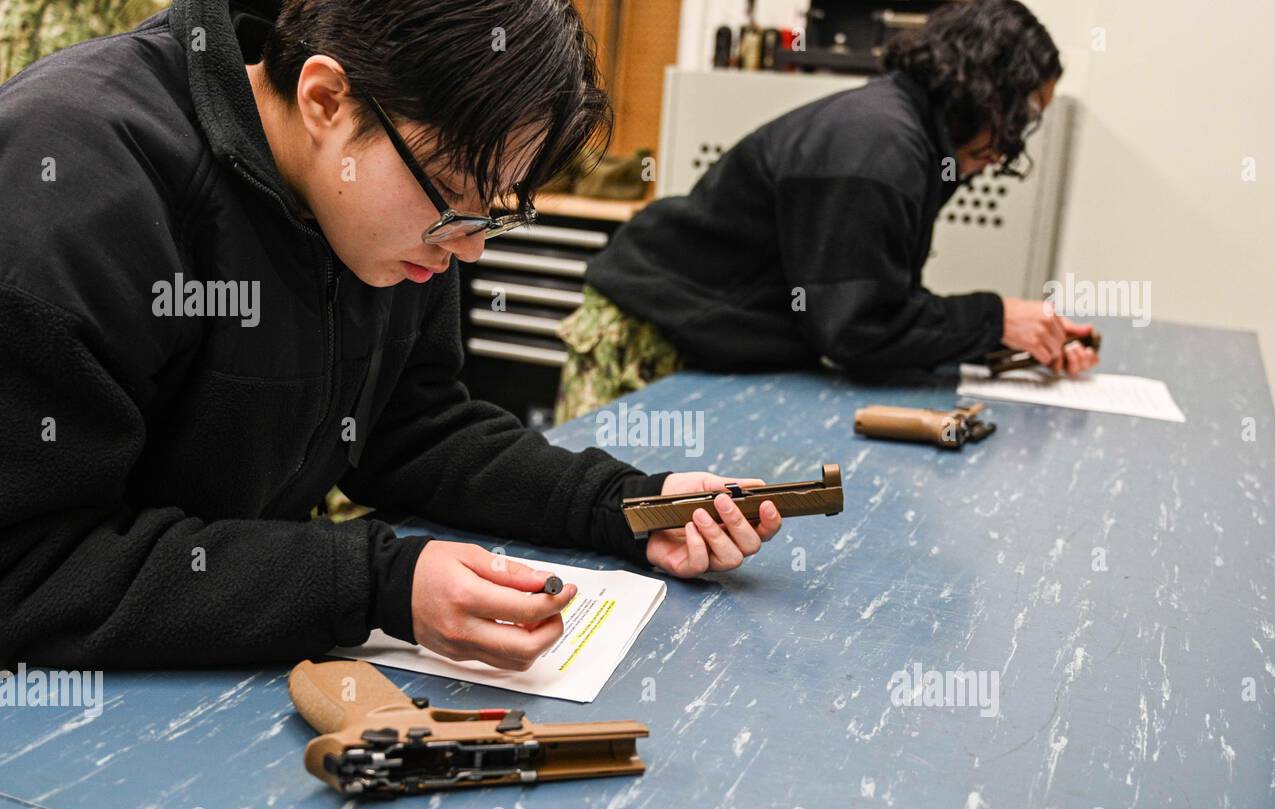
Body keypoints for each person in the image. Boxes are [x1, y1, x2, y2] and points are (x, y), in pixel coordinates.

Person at [0, 0, 782, 672]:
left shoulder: (393, 205)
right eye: (452, 199)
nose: (470, 248)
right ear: (327, 98)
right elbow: (28, 568)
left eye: (495, 212)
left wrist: (626, 506)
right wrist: (376, 584)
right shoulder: (78, 179)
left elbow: (412, 431)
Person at [555, 0, 1098, 424]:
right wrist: (997, 318)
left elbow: (879, 304)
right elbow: (859, 331)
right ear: (985, 85)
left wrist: (1013, 339)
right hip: (648, 337)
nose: (1015, 140)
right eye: (1023, 113)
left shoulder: (915, 139)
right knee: (606, 535)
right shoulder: (880, 142)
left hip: (707, 342)